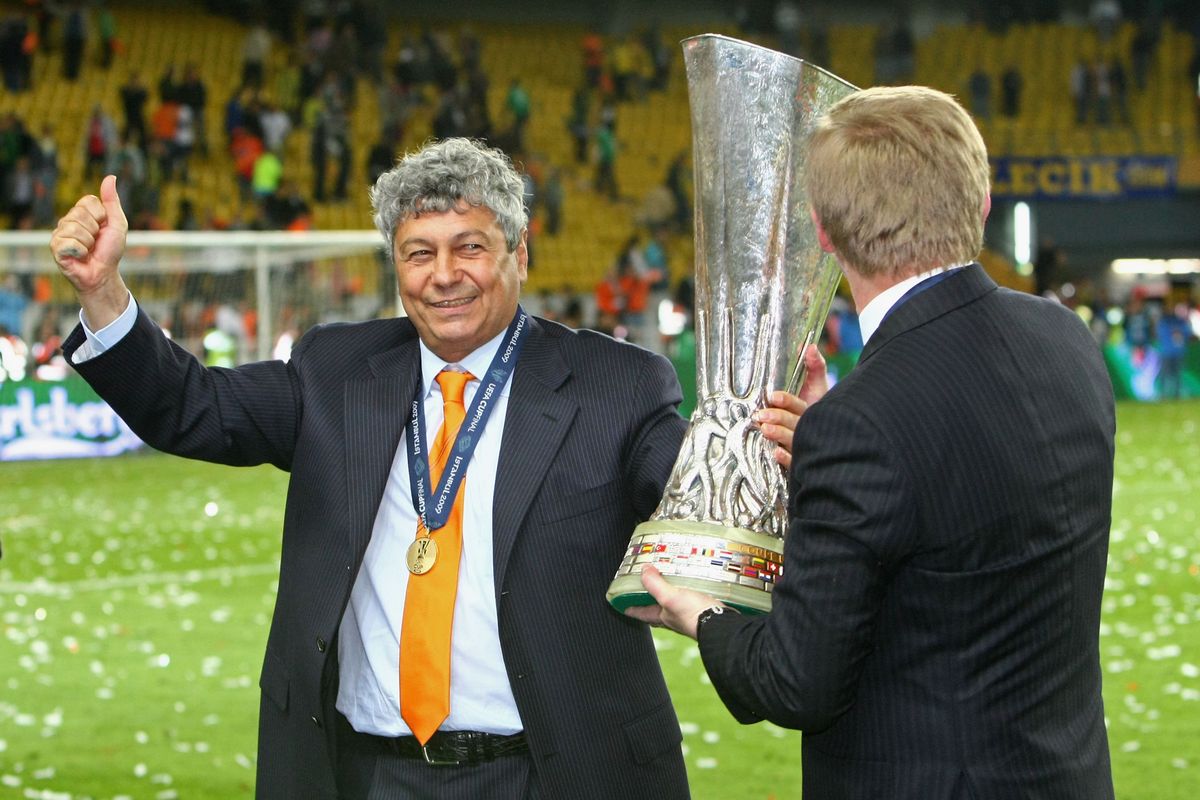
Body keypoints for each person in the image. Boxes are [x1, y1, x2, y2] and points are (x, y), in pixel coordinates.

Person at [50, 138, 807, 799]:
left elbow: (704, 494)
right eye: (419, 253)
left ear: (519, 253)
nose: (444, 275)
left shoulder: (613, 385)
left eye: (469, 247)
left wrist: (791, 455)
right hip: (366, 775)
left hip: (548, 775)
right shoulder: (334, 371)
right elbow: (194, 406)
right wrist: (102, 292)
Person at [631, 86, 1117, 799]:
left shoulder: (863, 424)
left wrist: (702, 615)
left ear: (824, 233)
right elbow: (967, 503)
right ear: (981, 203)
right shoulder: (1063, 337)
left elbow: (794, 683)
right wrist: (835, 448)